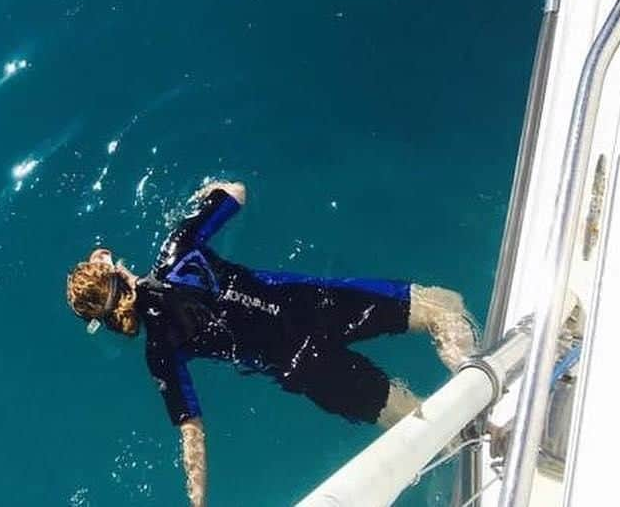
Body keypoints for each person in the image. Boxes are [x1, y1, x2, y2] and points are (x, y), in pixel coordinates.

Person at [66, 180, 476, 507]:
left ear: (104, 321)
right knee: (443, 307)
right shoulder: (177, 250)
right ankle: (464, 361)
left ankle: (475, 435)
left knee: (425, 423)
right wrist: (207, 191)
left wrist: (198, 503)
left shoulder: (160, 351)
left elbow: (192, 431)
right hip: (316, 306)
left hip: (306, 367)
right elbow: (235, 192)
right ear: (112, 268)